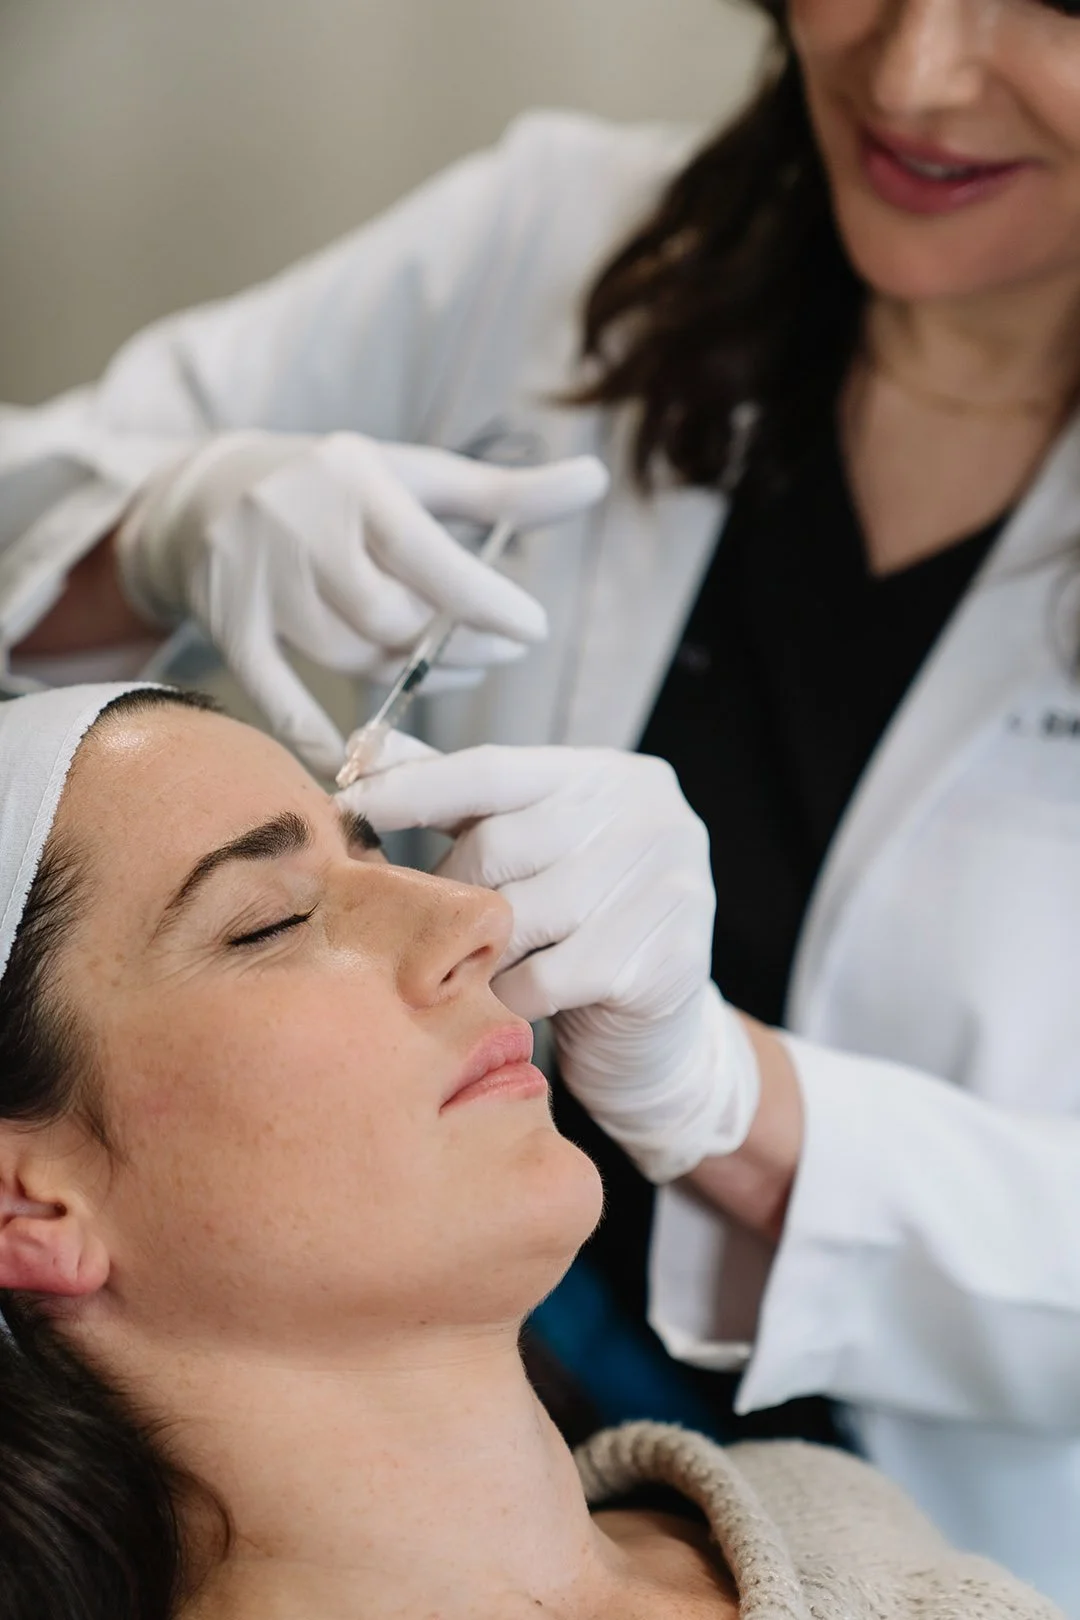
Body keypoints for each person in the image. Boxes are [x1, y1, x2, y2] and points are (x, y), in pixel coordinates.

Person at [3, 0, 1080, 1601]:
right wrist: (154, 526)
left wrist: (731, 1104)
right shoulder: (551, 250)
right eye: (281, 907)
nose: (916, 70)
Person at [0, 680, 1062, 1620]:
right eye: (271, 922)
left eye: (375, 851)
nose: (476, 914)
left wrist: (723, 1091)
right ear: (29, 1208)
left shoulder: (840, 1526)